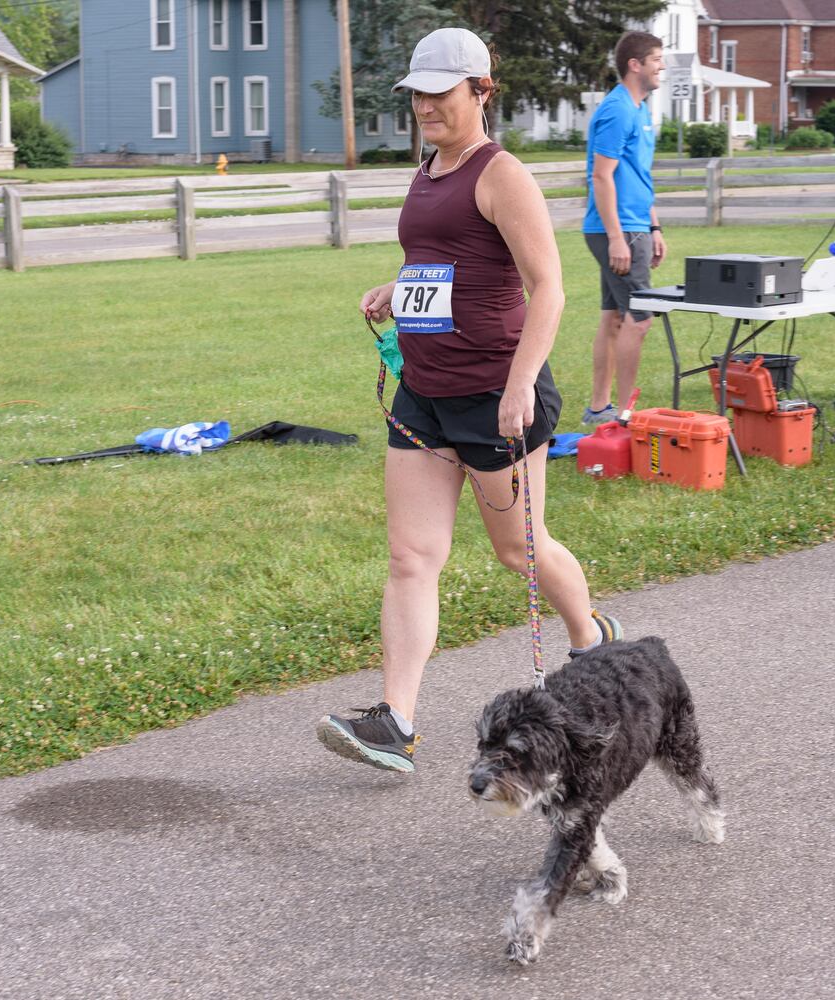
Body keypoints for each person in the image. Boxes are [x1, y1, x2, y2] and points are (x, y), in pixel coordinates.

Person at [314, 27, 622, 774]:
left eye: (439, 93)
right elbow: (443, 256)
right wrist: (401, 286)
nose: (424, 106)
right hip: (425, 390)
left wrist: (521, 383)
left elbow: (548, 286)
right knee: (410, 555)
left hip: (494, 391)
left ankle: (590, 642)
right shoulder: (429, 168)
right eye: (417, 93)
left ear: (481, 91)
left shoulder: (501, 173)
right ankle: (395, 721)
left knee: (520, 549)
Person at [580, 31, 666, 425]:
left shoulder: (640, 109)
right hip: (618, 230)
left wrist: (655, 226)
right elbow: (601, 176)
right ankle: (625, 415)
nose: (661, 66)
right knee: (641, 318)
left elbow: (638, 175)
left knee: (614, 317)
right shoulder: (617, 110)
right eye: (656, 60)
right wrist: (617, 237)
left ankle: (600, 409)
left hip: (635, 226)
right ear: (635, 65)